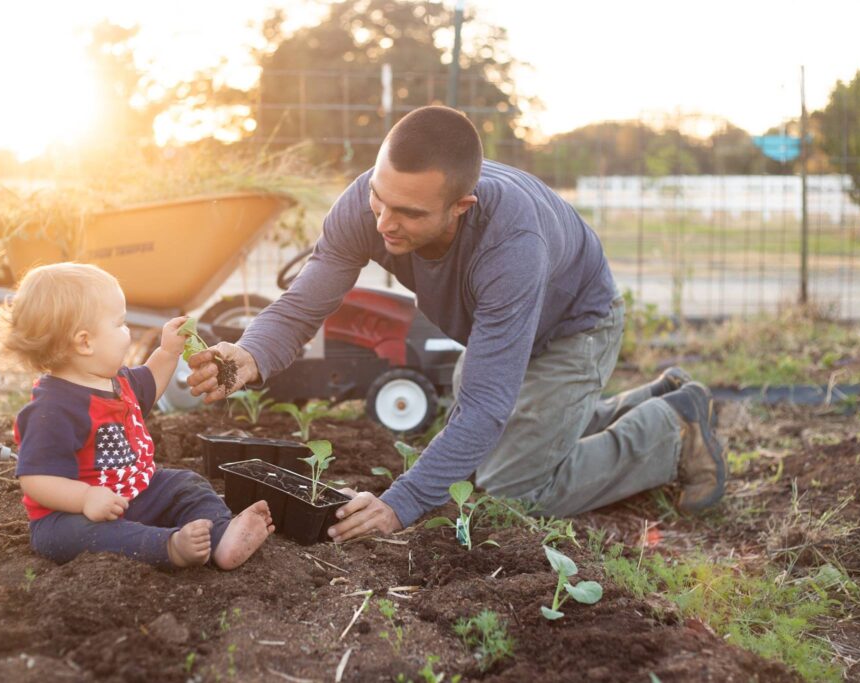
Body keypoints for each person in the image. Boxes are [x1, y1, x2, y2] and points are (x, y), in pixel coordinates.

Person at [187, 106, 727, 542]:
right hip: (501, 330)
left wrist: (402, 502)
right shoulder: (370, 203)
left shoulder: (510, 245)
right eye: (379, 198)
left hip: (574, 327)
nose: (383, 223)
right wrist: (251, 353)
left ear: (460, 207)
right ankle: (641, 402)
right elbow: (305, 302)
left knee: (513, 487)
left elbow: (487, 407)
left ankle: (670, 430)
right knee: (475, 445)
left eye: (409, 214)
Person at [0, 262, 274, 568]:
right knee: (82, 536)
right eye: (120, 323)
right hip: (71, 514)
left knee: (185, 484)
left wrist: (168, 352)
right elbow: (37, 479)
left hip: (137, 493)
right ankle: (168, 547)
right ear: (85, 342)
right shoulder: (52, 408)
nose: (128, 332)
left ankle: (221, 538)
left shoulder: (117, 381)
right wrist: (85, 498)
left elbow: (151, 381)